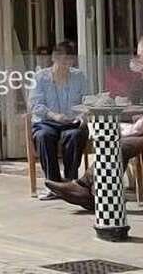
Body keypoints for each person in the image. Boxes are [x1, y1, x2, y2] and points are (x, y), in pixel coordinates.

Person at [47, 33, 143, 210]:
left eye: (139, 55)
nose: (137, 59)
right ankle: (92, 191)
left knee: (119, 144)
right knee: (120, 144)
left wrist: (131, 129)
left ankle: (90, 191)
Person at [29, 41, 89, 200]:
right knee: (44, 136)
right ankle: (53, 185)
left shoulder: (79, 76)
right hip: (46, 121)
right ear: (54, 58)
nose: (66, 64)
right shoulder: (40, 77)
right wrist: (54, 116)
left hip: (71, 121)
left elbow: (86, 100)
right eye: (62, 59)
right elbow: (35, 104)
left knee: (75, 135)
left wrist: (82, 117)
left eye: (69, 60)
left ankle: (71, 183)